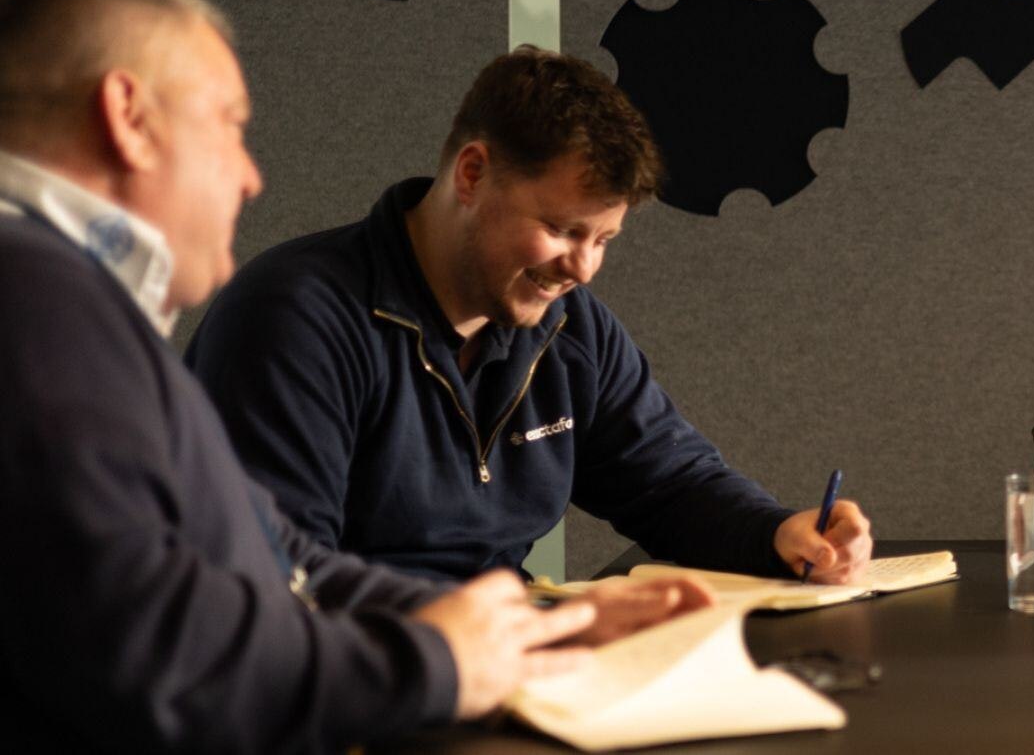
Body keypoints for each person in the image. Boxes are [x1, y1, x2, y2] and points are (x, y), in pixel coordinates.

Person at [0, 0, 714, 752]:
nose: (248, 175)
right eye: (230, 125)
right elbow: (164, 659)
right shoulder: (37, 308)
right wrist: (437, 662)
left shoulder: (73, 305)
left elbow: (277, 560)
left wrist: (526, 632)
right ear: (128, 117)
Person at [185, 45, 872, 583]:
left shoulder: (569, 326)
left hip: (491, 670)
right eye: (563, 229)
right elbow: (275, 578)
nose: (581, 269)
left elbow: (670, 485)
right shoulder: (294, 319)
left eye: (603, 240)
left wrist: (777, 532)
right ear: (473, 173)